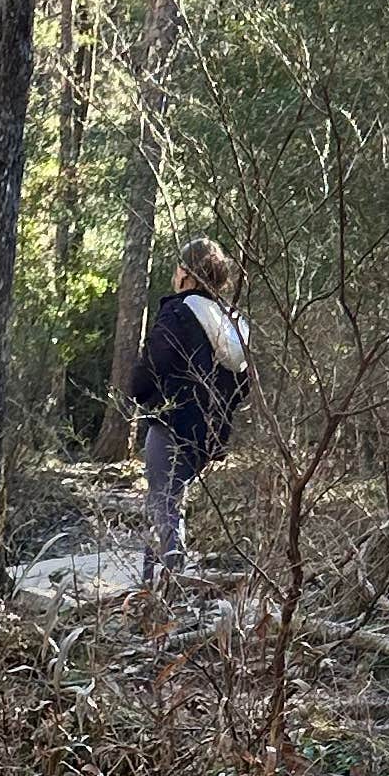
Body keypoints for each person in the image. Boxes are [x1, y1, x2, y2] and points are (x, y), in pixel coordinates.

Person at [127, 237, 251, 583]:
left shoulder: (180, 312)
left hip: (171, 423)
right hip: (207, 434)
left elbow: (155, 363)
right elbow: (243, 384)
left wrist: (138, 390)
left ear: (187, 274)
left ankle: (165, 586)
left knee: (162, 504)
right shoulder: (229, 320)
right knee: (172, 503)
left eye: (178, 267)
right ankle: (164, 583)